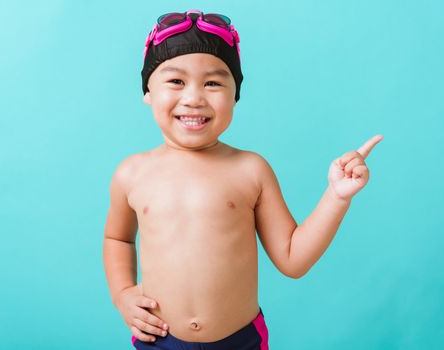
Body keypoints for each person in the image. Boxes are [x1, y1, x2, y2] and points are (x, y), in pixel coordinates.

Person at [102, 9, 383, 350]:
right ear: (148, 91)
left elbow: (293, 259)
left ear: (235, 94)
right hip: (159, 340)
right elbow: (118, 239)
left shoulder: (250, 170)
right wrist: (123, 294)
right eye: (176, 81)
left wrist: (337, 197)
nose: (193, 97)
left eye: (213, 82)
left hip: (240, 341)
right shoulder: (132, 173)